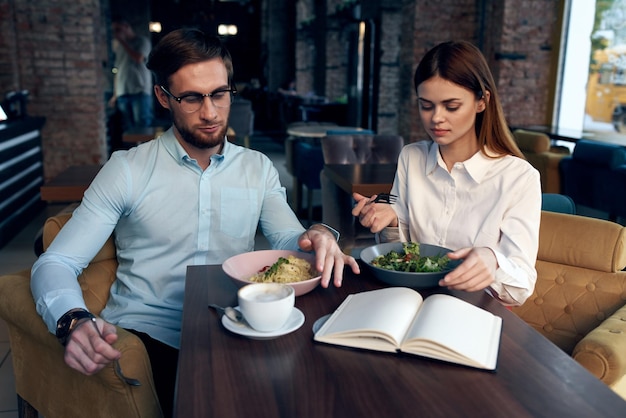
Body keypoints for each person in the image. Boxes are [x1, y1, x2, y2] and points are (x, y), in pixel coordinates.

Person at [31, 28, 360, 417]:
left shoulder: (257, 168)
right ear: (162, 97)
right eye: (191, 98)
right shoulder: (127, 170)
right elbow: (56, 262)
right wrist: (72, 319)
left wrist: (319, 233)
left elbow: (289, 238)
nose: (210, 112)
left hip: (234, 325)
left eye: (220, 94)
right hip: (147, 336)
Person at [352, 40, 541, 307]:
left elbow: (521, 288)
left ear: (482, 102)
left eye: (451, 106)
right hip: (408, 300)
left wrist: (492, 260)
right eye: (426, 105)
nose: (436, 118)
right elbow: (401, 253)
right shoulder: (411, 157)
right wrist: (392, 221)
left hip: (472, 310)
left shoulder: (519, 178)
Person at [108, 17, 154, 130]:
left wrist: (122, 42)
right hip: (122, 91)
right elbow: (117, 69)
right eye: (114, 30)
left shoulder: (142, 41)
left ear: (126, 27)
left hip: (139, 89)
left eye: (118, 29)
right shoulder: (118, 46)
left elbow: (138, 58)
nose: (116, 33)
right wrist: (115, 94)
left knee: (142, 126)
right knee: (128, 129)